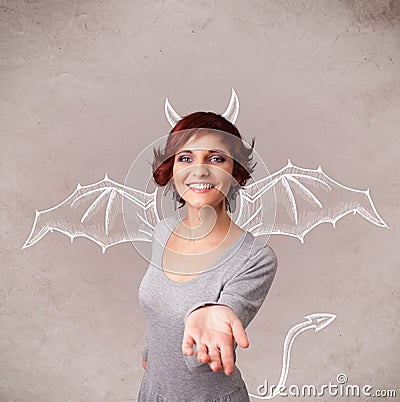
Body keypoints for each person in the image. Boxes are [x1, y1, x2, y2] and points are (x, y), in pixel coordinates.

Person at [137, 111, 278, 401]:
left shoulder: (256, 258)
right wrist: (150, 353)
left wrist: (210, 317)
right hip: (153, 391)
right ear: (172, 169)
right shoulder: (163, 231)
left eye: (216, 159)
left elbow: (206, 354)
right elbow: (158, 307)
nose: (199, 171)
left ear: (235, 172)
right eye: (185, 158)